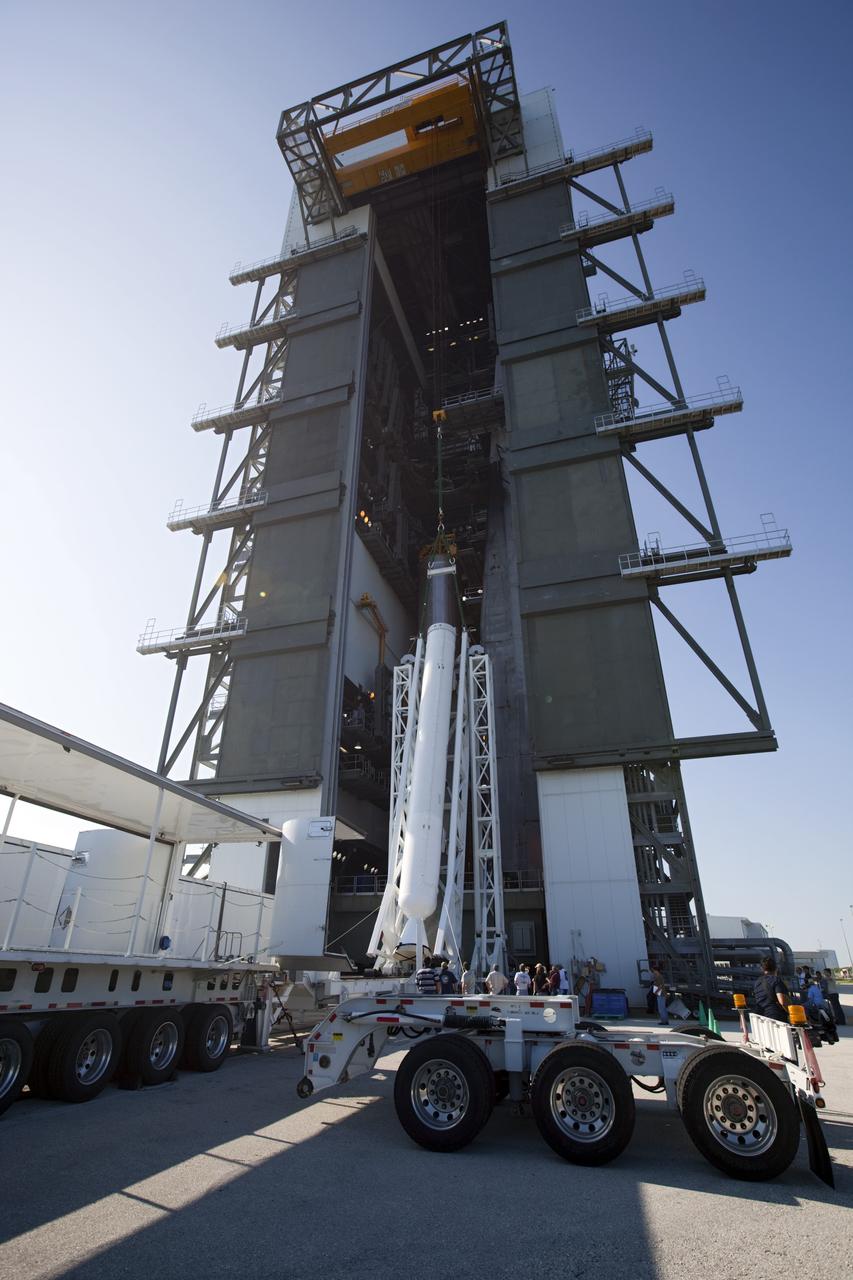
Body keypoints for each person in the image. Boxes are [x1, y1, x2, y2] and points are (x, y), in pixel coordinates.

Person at [752, 957, 788, 1021]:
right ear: (776, 968)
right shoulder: (776, 980)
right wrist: (791, 1013)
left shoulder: (758, 982)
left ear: (762, 969)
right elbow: (782, 1002)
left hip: (760, 1017)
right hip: (775, 1017)